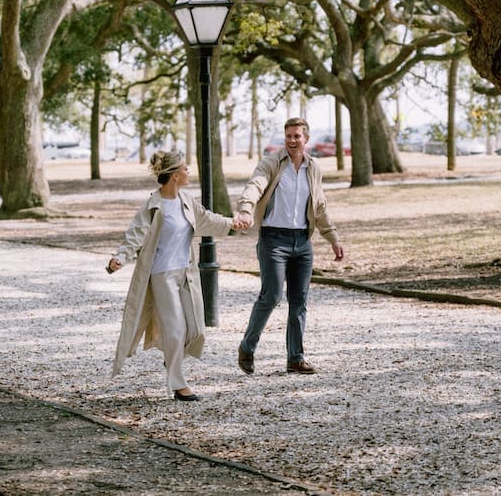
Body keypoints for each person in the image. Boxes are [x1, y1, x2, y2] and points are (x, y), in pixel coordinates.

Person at [107, 150, 246, 401]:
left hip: (187, 273)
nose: (188, 171)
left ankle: (172, 359)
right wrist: (120, 257)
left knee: (196, 329)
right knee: (175, 329)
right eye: (184, 168)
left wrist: (230, 223)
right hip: (162, 275)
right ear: (173, 176)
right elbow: (135, 234)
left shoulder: (186, 200)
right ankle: (179, 384)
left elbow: (205, 220)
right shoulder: (153, 205)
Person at [234, 117, 344, 376]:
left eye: (297, 136)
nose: (292, 141)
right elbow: (255, 186)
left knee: (299, 301)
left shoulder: (313, 168)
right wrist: (246, 209)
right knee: (271, 296)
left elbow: (319, 207)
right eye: (288, 136)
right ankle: (247, 347)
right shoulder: (272, 163)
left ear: (306, 139)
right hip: (274, 239)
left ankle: (295, 358)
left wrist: (333, 238)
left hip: (303, 242)